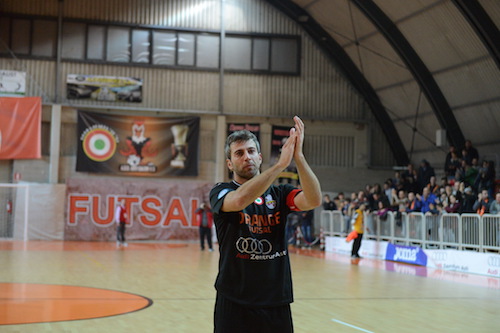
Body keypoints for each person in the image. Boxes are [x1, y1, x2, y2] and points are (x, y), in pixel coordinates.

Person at [209, 116, 322, 333]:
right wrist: (280, 165)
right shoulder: (221, 190)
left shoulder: (281, 194)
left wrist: (298, 158)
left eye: (251, 151)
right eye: (239, 153)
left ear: (260, 158)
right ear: (230, 163)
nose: (247, 157)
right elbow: (240, 201)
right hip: (234, 300)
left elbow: (314, 200)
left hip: (275, 300)